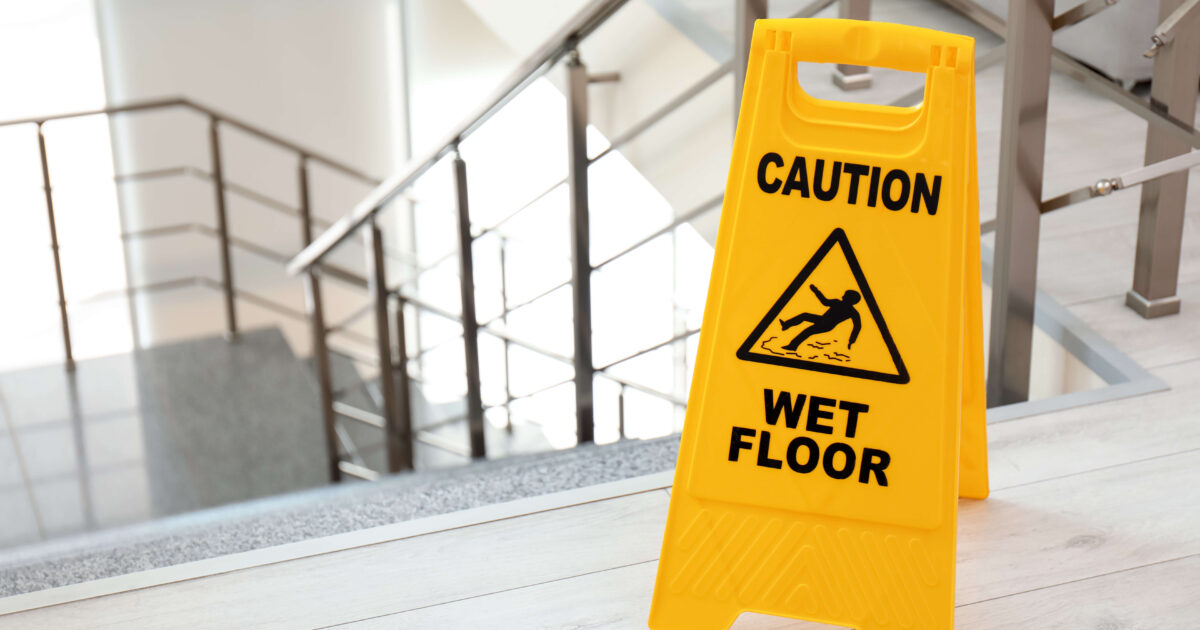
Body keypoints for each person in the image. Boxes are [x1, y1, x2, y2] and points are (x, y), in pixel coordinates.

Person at [779, 285, 862, 351]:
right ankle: (786, 325)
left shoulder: (852, 312)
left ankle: (792, 346)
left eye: (845, 295)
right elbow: (824, 302)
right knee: (804, 315)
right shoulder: (837, 302)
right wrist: (816, 291)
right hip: (822, 319)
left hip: (827, 325)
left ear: (850, 299)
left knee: (807, 331)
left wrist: (851, 340)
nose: (842, 296)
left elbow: (857, 326)